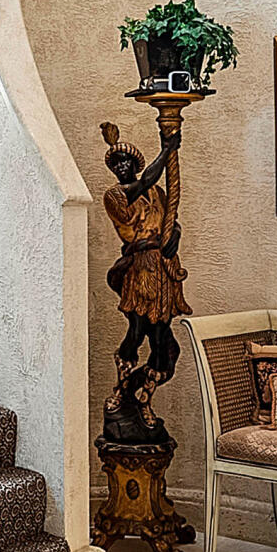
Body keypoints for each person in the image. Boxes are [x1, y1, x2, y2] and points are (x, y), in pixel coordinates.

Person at [97, 119, 187, 436]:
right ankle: (121, 390)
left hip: (162, 266)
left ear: (134, 164)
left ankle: (144, 395)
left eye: (127, 162)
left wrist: (175, 232)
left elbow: (168, 220)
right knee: (136, 331)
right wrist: (166, 150)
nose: (121, 167)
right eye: (116, 163)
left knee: (162, 340)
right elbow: (144, 183)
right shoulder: (115, 196)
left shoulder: (158, 193)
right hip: (139, 267)